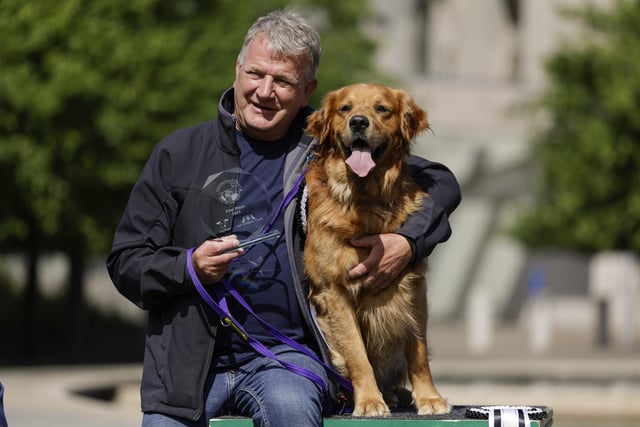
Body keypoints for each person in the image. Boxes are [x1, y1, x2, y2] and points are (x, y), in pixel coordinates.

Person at [107, 9, 461, 427]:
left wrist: (408, 242)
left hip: (286, 359)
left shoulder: (324, 145)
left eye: (283, 81)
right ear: (237, 70)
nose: (265, 91)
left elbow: (442, 184)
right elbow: (125, 260)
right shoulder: (178, 155)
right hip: (187, 367)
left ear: (306, 88)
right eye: (255, 74)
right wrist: (189, 267)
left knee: (292, 411)